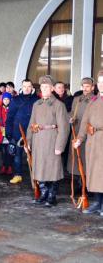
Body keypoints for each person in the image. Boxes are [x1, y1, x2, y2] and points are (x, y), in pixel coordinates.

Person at [26, 75, 69, 207]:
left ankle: (52, 195)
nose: (44, 89)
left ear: (52, 89)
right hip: (38, 139)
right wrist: (28, 142)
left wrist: (59, 146)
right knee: (40, 168)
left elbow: (64, 127)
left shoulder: (58, 105)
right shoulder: (36, 104)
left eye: (47, 87)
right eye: (42, 87)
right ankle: (44, 193)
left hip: (52, 139)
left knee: (53, 169)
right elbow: (31, 124)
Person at [74, 71, 103, 216]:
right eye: (99, 82)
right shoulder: (93, 101)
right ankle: (98, 203)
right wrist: (79, 139)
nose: (101, 84)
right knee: (94, 173)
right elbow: (85, 121)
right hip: (92, 142)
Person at [5, 79, 38, 184]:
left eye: (29, 86)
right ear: (21, 87)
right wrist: (8, 132)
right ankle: (17, 175)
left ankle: (36, 176)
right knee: (17, 156)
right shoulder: (15, 100)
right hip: (17, 131)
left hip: (33, 132)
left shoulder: (37, 100)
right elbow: (9, 117)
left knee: (34, 156)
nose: (27, 88)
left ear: (32, 88)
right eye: (25, 86)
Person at [67, 77, 94, 178]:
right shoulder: (77, 99)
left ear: (92, 87)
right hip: (76, 130)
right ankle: (79, 182)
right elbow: (72, 113)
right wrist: (70, 118)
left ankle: (87, 183)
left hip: (89, 132)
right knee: (76, 156)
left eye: (88, 86)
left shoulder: (95, 99)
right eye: (84, 86)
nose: (85, 88)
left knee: (87, 157)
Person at [0, 92, 13, 175]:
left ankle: (9, 167)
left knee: (9, 151)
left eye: (7, 99)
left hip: (9, 132)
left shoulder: (12, 109)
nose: (6, 101)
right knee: (3, 151)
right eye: (4, 99)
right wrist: (0, 127)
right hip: (1, 133)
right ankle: (4, 166)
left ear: (10, 100)